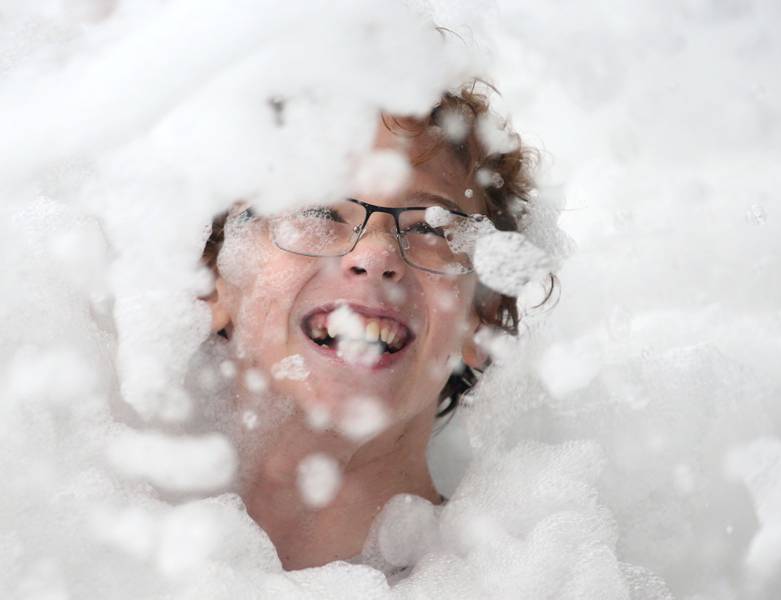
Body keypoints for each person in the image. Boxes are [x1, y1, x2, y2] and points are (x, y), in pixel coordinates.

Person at [201, 83, 542, 571]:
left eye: (430, 227)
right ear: (212, 281)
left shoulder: (535, 581)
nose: (377, 255)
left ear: (479, 319)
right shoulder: (85, 551)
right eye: (317, 211)